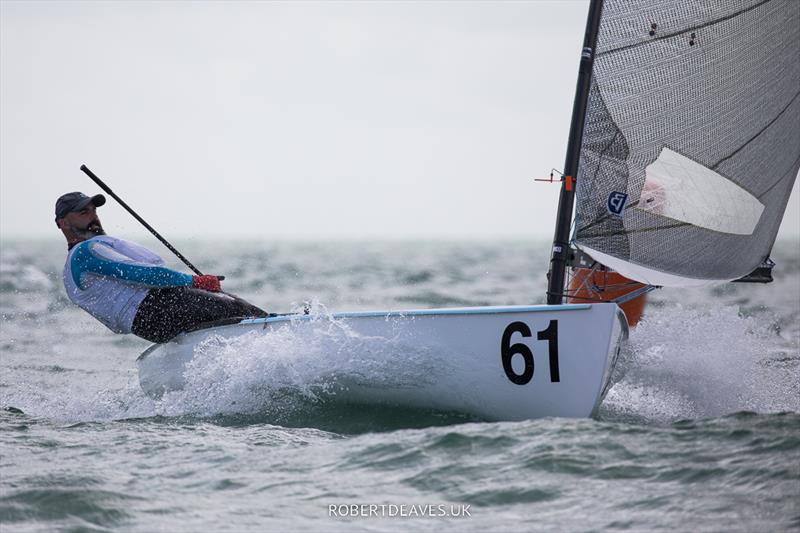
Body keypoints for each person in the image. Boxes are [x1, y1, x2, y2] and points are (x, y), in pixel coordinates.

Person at [55, 191, 268, 343]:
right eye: (84, 213)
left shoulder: (74, 263)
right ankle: (280, 329)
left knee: (228, 316)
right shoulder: (84, 252)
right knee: (237, 309)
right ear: (64, 223)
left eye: (93, 211)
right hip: (154, 307)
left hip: (145, 325)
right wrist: (195, 281)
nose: (93, 216)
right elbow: (141, 273)